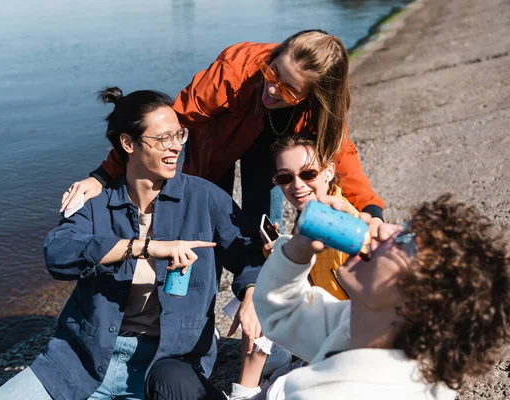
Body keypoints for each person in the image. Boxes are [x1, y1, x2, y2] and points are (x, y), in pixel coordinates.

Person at [0, 87, 264, 400]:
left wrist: (251, 295)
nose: (175, 147)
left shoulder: (205, 198)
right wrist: (144, 247)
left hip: (166, 362)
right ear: (128, 143)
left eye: (179, 135)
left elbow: (249, 254)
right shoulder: (95, 202)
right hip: (82, 360)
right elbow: (57, 254)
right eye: (162, 139)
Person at [60, 29, 384, 235]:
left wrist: (372, 211)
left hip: (271, 153)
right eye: (273, 72)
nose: (272, 89)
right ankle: (197, 323)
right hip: (215, 150)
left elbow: (341, 152)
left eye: (288, 89)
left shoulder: (321, 107)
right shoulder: (237, 69)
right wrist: (102, 177)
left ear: (313, 95)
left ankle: (262, 317)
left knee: (263, 231)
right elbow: (169, 126)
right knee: (203, 226)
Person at [253, 194, 510, 399]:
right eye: (406, 227)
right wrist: (298, 248)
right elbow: (285, 312)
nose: (383, 229)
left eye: (406, 242)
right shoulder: (370, 330)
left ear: (419, 304)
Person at [228, 135, 355, 399]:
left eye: (308, 173)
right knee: (257, 301)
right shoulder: (308, 220)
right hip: (324, 336)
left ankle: (249, 383)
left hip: (347, 347)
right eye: (285, 178)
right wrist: (282, 258)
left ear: (329, 171)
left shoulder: (345, 227)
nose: (297, 186)